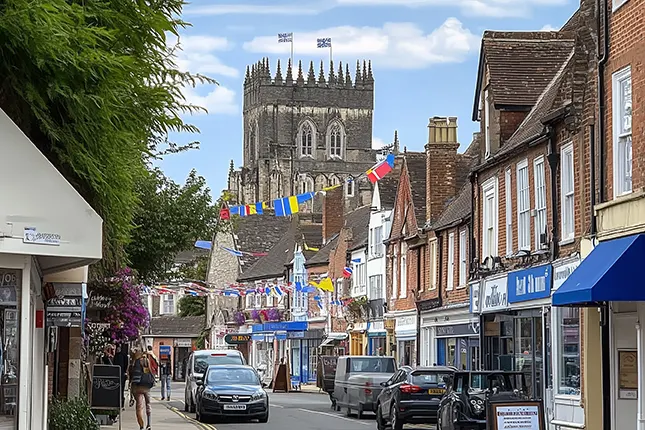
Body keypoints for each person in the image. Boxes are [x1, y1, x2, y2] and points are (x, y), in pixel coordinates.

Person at [129, 348, 155, 430]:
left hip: (137, 386)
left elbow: (130, 375)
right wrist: (153, 379)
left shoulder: (133, 362)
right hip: (146, 385)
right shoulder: (145, 360)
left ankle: (141, 425)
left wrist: (131, 394)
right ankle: (149, 424)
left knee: (139, 406)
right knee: (148, 404)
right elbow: (150, 370)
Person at [114, 345, 129, 409]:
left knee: (121, 390)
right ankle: (119, 403)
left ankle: (121, 403)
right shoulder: (117, 355)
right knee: (119, 390)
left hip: (121, 374)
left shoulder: (122, 355)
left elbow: (126, 364)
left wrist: (125, 372)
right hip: (118, 374)